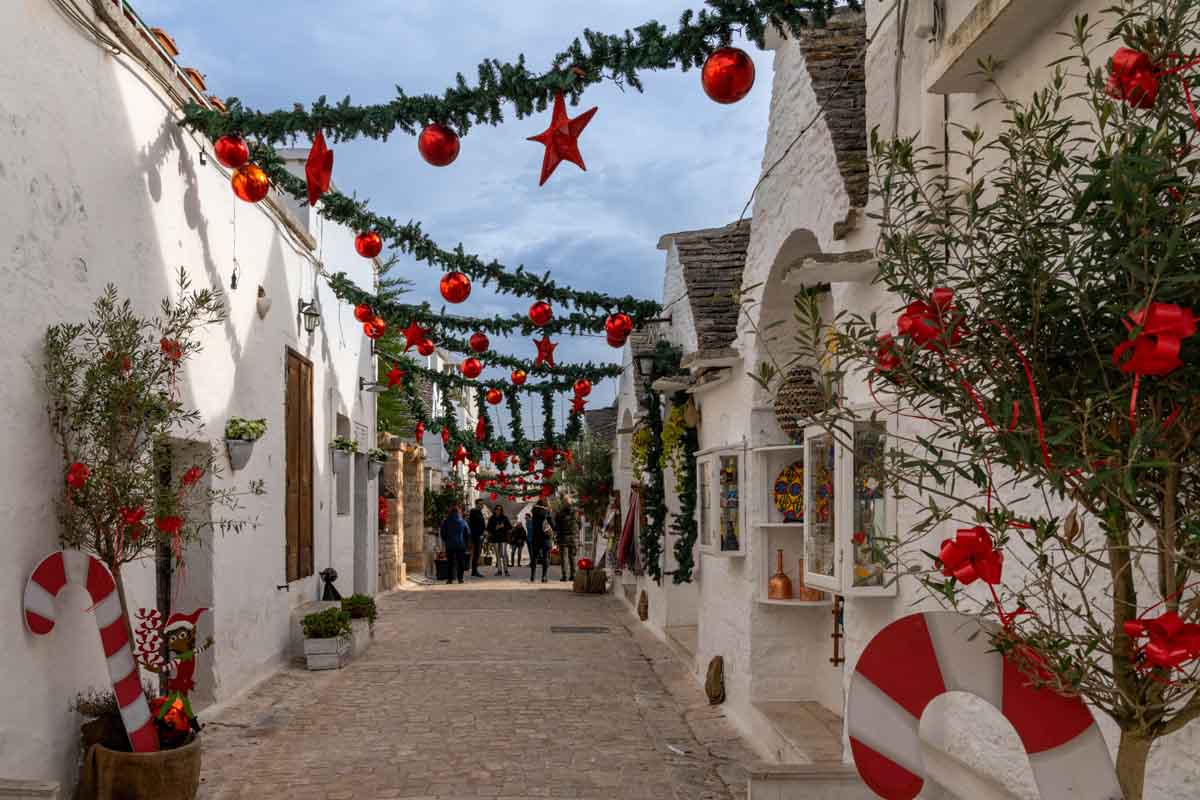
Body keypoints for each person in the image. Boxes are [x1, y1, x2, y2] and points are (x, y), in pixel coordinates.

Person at [439, 504, 469, 584]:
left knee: (450, 562)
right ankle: (460, 578)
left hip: (450, 545)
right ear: (458, 512)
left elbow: (443, 533)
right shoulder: (463, 521)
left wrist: (446, 540)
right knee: (460, 562)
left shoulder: (446, 521)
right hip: (460, 544)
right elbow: (467, 533)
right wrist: (465, 542)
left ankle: (450, 579)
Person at [554, 498, 579, 583]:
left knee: (564, 558)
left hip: (563, 537)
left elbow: (556, 526)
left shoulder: (559, 513)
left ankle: (564, 576)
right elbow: (580, 524)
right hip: (573, 537)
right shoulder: (576, 513)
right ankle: (573, 575)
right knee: (572, 557)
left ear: (563, 503)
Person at [527, 500, 552, 583]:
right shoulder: (546, 513)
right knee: (545, 557)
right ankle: (544, 577)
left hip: (536, 538)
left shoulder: (534, 512)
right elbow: (552, 524)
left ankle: (532, 576)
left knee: (534, 557)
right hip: (545, 538)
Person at [487, 504, 512, 576]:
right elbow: (488, 528)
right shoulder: (491, 518)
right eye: (497, 509)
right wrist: (495, 528)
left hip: (503, 538)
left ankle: (506, 570)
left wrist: (503, 526)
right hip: (495, 538)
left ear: (501, 510)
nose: (498, 510)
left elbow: (510, 527)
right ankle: (499, 571)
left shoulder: (504, 518)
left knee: (503, 554)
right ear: (495, 510)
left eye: (500, 509)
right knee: (497, 555)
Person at [467, 499, 487, 578]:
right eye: (480, 504)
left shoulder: (479, 512)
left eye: (482, 504)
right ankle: (474, 571)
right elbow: (473, 525)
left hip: (480, 535)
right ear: (476, 504)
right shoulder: (473, 512)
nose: (481, 506)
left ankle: (475, 570)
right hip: (476, 535)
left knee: (477, 553)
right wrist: (479, 534)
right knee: (476, 553)